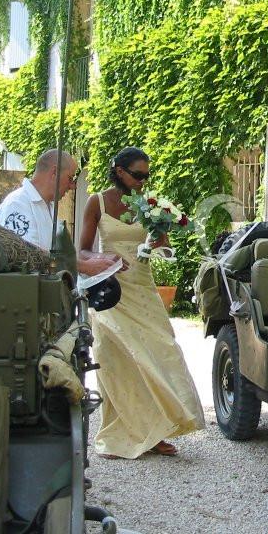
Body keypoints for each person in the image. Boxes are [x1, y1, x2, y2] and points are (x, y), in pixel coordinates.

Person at [79, 146, 205, 458]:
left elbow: (163, 251)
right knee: (115, 358)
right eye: (137, 175)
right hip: (109, 290)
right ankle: (119, 433)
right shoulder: (96, 201)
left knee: (158, 352)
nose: (142, 181)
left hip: (142, 288)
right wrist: (103, 259)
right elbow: (81, 252)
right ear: (119, 171)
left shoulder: (148, 204)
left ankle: (157, 430)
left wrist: (160, 242)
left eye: (146, 176)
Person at [0, 149, 123, 275]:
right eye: (70, 178)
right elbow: (26, 255)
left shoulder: (47, 205)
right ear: (54, 172)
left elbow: (51, 255)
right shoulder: (17, 204)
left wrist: (94, 261)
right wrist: (84, 266)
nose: (73, 186)